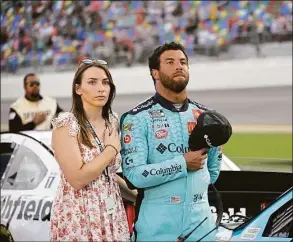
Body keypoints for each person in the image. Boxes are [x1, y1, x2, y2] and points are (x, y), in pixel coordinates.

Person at [120, 42, 223, 241]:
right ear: (155, 73)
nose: (179, 66)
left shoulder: (206, 116)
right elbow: (133, 176)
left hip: (202, 224)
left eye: (183, 62)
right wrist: (182, 164)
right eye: (170, 62)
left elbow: (212, 173)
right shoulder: (137, 118)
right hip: (158, 226)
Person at [50, 59, 135, 241]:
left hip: (111, 212)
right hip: (79, 212)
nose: (101, 88)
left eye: (105, 82)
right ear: (78, 88)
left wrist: (136, 195)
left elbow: (107, 174)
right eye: (92, 82)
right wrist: (111, 149)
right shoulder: (66, 124)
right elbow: (77, 179)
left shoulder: (112, 121)